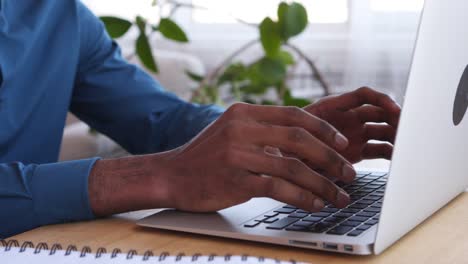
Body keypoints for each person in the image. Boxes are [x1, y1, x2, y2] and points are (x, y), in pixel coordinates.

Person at [0, 0, 401, 238]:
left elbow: (160, 119)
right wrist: (159, 175)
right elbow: (165, 161)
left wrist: (276, 136)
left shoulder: (61, 15)